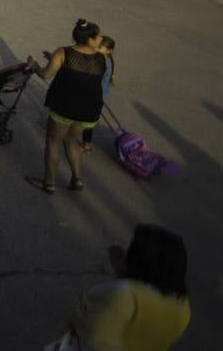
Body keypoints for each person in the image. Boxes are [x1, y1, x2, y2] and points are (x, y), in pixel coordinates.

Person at [56, 224, 190, 351]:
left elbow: (89, 325)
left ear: (140, 261)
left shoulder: (123, 295)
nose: (127, 251)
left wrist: (124, 273)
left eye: (132, 250)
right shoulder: (183, 308)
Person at [25, 19, 107, 195]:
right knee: (71, 140)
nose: (101, 39)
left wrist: (35, 66)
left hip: (66, 107)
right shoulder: (101, 58)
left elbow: (46, 75)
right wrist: (54, 59)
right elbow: (84, 72)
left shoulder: (64, 53)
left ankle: (49, 183)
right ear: (89, 40)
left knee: (53, 142)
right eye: (98, 36)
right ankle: (77, 179)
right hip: (90, 111)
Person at [83, 35, 117, 152]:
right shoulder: (108, 60)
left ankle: (85, 143)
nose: (96, 49)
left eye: (100, 47)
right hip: (98, 95)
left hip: (92, 94)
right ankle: (86, 143)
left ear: (109, 51)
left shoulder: (102, 63)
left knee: (85, 118)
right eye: (97, 46)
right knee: (88, 121)